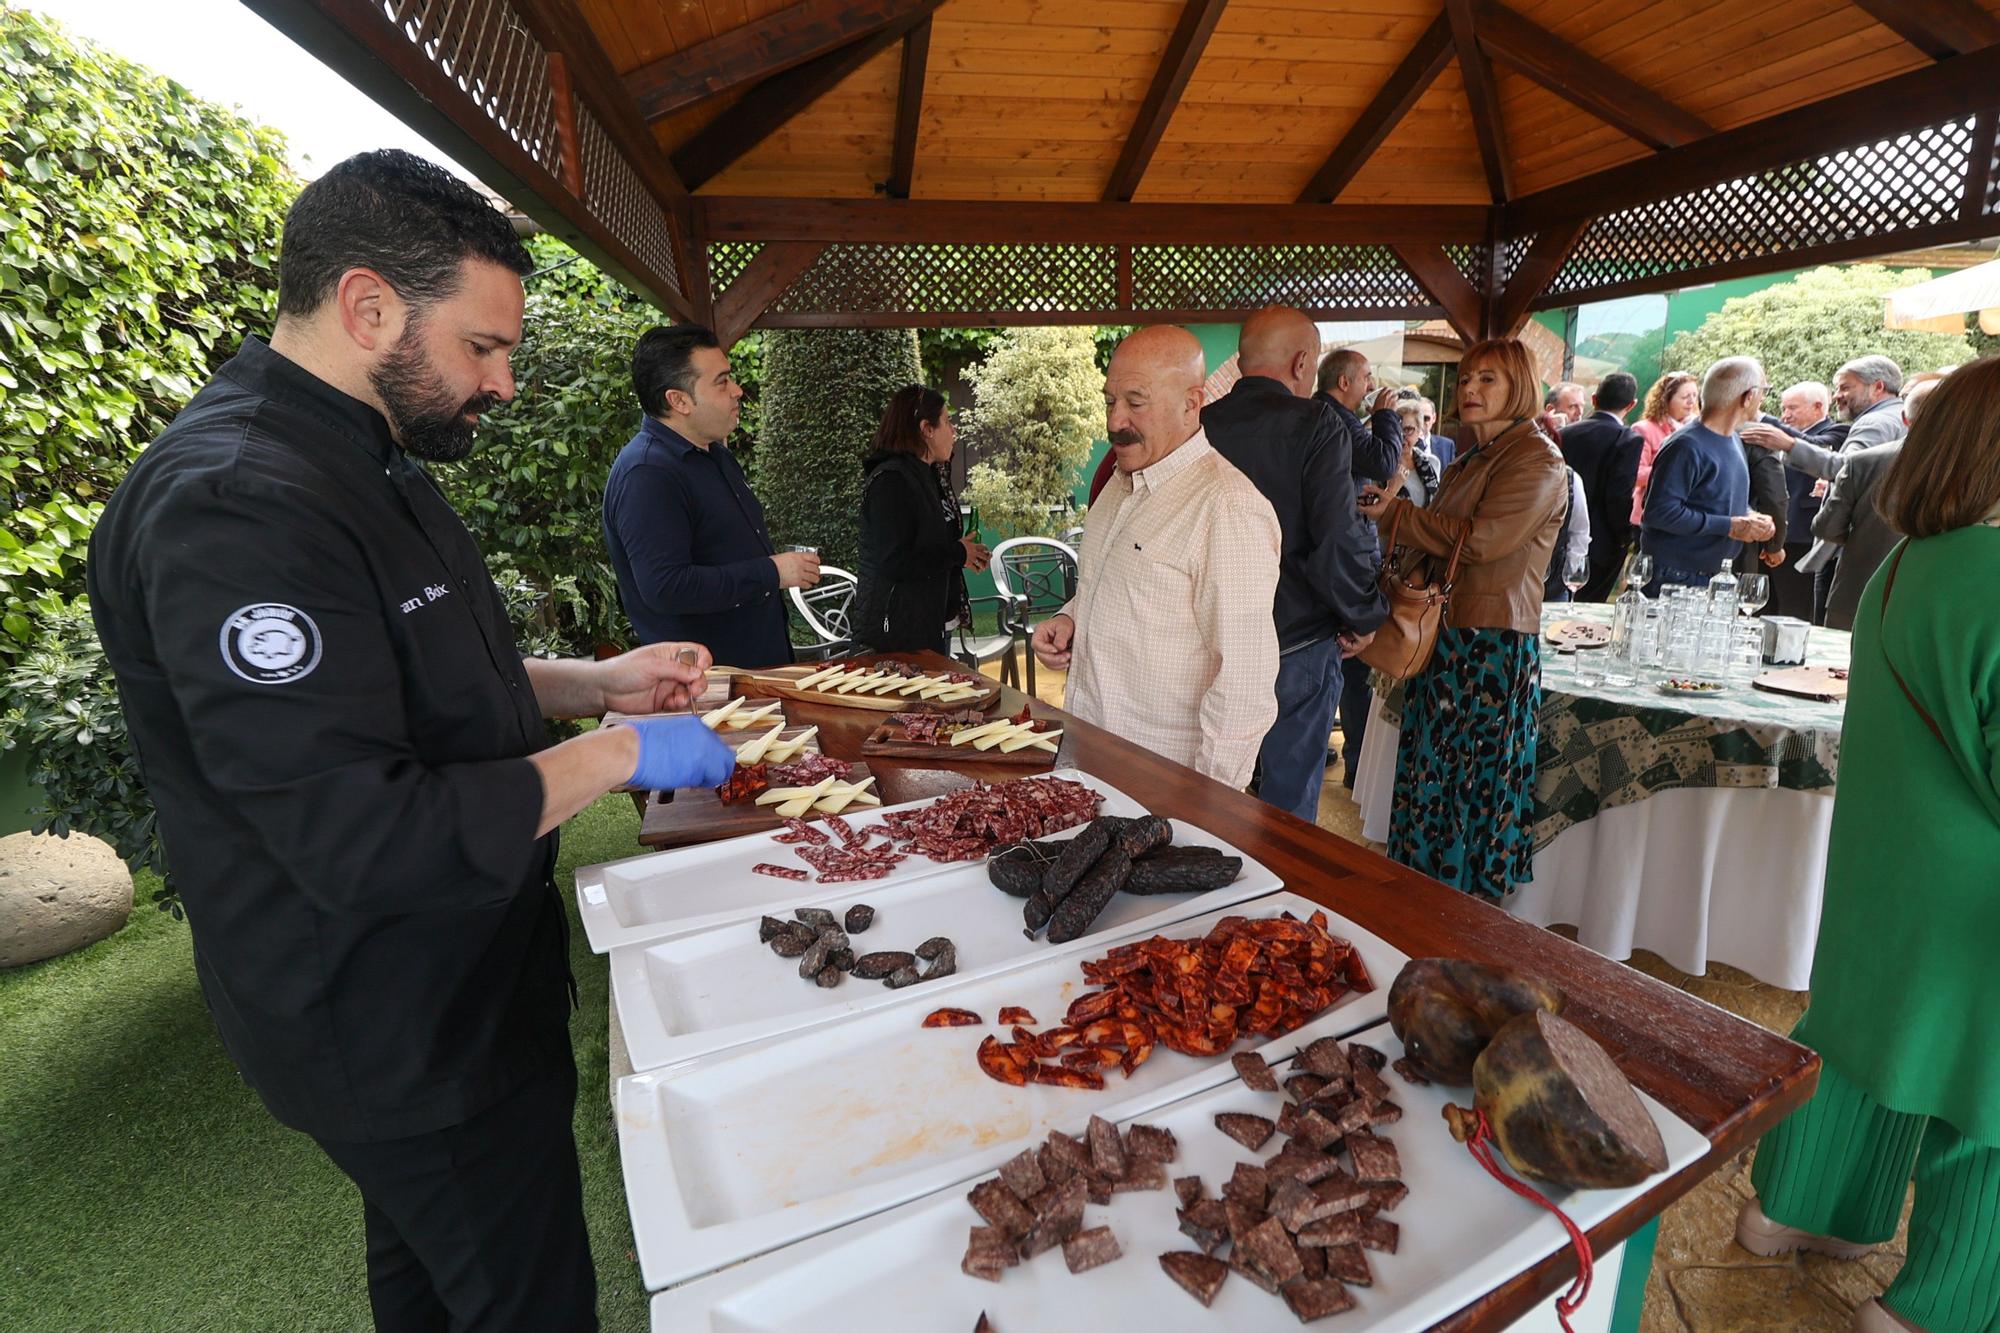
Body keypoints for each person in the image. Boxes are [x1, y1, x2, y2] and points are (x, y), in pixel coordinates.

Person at [84, 149, 739, 1331]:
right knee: (519, 1294)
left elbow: (419, 670)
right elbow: (362, 831)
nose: (499, 384)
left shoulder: (366, 451)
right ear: (368, 304)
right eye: (481, 348)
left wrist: (599, 682)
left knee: (428, 1283)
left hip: (463, 985)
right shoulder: (238, 506)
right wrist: (620, 758)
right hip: (396, 1018)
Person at [1734, 357, 2000, 1333]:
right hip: (1975, 897)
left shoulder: (1909, 559)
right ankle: (1939, 1306)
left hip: (1885, 867)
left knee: (1858, 1044)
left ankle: (1794, 1210)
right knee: (1987, 1100)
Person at [1356, 338, 1568, 897]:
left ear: (1519, 386)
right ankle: (1427, 898)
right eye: (1468, 377)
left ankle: (1462, 909)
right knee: (1436, 777)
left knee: (1470, 784)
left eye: (1489, 380)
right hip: (1452, 639)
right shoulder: (1480, 454)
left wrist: (1397, 515)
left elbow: (1484, 541)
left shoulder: (1537, 458)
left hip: (1490, 647)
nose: (1471, 388)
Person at [1031, 326, 1281, 789]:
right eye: (1110, 401)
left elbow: (1245, 682)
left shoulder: (1227, 507)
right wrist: (1071, 618)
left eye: (1135, 402)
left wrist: (1208, 808)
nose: (1114, 421)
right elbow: (1117, 587)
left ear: (1191, 403)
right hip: (1088, 759)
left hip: (1165, 787)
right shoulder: (1117, 484)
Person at [1201, 306, 1386, 820]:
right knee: (1286, 808)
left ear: (1241, 362)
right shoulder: (1316, 423)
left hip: (1207, 638)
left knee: (1204, 792)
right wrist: (1363, 615)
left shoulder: (1200, 424)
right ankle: (1280, 896)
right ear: (1304, 363)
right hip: (1296, 639)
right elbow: (1336, 539)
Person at [603, 324, 818, 668]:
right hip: (707, 691)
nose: (737, 390)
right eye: (722, 381)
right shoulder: (648, 474)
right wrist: (771, 572)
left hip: (751, 675)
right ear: (679, 400)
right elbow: (666, 587)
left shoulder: (713, 454)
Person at [1751, 356, 1909, 625]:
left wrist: (1789, 444)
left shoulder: (1876, 423)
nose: (1837, 396)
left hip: (1850, 544)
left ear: (1878, 387)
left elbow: (1847, 468)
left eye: (1846, 387)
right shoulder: (1894, 418)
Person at [1315, 348, 1402, 788]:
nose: (1372, 387)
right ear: (1344, 382)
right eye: (1367, 377)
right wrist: (1386, 416)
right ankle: (1357, 765)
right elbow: (1384, 462)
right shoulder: (1336, 417)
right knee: (1352, 665)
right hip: (1344, 558)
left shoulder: (1322, 416)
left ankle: (1347, 760)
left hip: (1325, 560)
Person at [852, 385, 991, 653]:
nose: (953, 431)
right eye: (947, 422)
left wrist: (965, 553)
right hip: (894, 638)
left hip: (930, 625)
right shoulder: (891, 481)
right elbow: (896, 560)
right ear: (927, 429)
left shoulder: (928, 475)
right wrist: (957, 553)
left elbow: (931, 545)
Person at [1811, 375, 1942, 631]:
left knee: (1835, 670)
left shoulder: (1862, 462)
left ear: (1905, 420)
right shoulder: (1972, 472)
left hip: (1856, 595)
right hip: (1930, 605)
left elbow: (1827, 528)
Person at [1638, 357, 1776, 591]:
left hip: (1714, 573)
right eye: (1763, 392)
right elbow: (1659, 512)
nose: (1762, 399)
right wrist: (1731, 526)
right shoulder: (1686, 445)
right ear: (1748, 396)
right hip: (1677, 576)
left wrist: (1751, 518)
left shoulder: (1731, 437)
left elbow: (1717, 501)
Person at [1742, 381, 1843, 619]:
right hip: (1771, 532)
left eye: (1792, 408)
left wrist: (1765, 421)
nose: (1785, 415)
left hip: (1801, 536)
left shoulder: (1837, 432)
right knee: (1763, 604)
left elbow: (1817, 449)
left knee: (1795, 608)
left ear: (1818, 407)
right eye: (1783, 408)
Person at [1558, 372, 1644, 600]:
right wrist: (1624, 537)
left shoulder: (1563, 434)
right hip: (1602, 544)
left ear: (1594, 400)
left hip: (1557, 534)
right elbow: (1618, 495)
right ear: (1632, 405)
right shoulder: (1628, 439)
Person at [1629, 370, 1701, 526]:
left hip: (1687, 515)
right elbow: (1636, 474)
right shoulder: (1644, 429)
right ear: (1665, 400)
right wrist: (1672, 470)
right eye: (1684, 397)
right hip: (1650, 514)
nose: (1691, 402)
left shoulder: (1698, 429)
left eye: (1695, 396)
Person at [1391, 400, 1444, 505]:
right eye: (1397, 430)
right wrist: (1392, 489)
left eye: (1408, 429)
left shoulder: (1432, 463)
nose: (1402, 436)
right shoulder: (1383, 465)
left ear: (1419, 431)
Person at [1418, 395, 1456, 467]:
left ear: (1434, 418)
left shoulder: (1447, 446)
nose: (1420, 422)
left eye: (1425, 418)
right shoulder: (1403, 445)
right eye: (1417, 418)